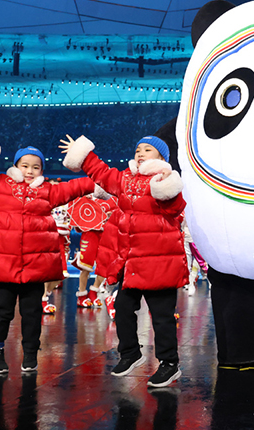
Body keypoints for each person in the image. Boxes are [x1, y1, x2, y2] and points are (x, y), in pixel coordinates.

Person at [61, 134, 187, 388]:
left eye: (148, 150)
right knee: (123, 307)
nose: (140, 153)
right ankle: (130, 353)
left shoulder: (164, 181)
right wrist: (82, 154)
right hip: (132, 263)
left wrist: (167, 188)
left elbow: (176, 209)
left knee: (162, 317)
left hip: (159, 262)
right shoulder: (125, 180)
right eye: (138, 148)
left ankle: (169, 364)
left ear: (162, 157)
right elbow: (101, 172)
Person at [0, 137, 94, 374]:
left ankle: (31, 353)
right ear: (15, 166)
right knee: (2, 309)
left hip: (35, 266)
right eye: (25, 165)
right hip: (4, 266)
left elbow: (79, 186)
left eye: (36, 167)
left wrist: (90, 165)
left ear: (42, 171)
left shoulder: (48, 191)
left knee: (33, 312)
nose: (30, 171)